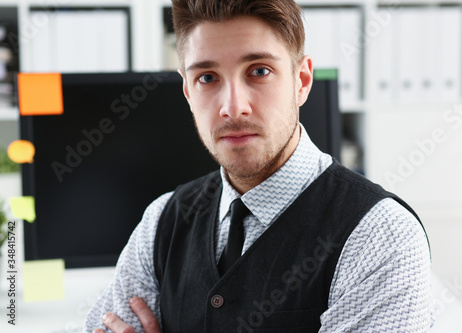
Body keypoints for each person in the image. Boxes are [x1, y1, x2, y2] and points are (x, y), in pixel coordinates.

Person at [85, 0, 433, 332]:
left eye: (259, 71)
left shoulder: (379, 236)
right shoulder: (161, 222)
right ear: (188, 92)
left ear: (302, 81)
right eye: (207, 77)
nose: (233, 108)